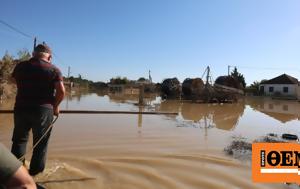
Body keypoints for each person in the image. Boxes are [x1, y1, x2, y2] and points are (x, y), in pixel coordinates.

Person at [11, 44, 65, 176]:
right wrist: (56, 107)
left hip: (21, 108)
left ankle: (16, 174)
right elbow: (61, 91)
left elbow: (11, 80)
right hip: (43, 110)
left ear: (33, 54)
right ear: (49, 57)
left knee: (19, 141)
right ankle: (34, 175)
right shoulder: (53, 69)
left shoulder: (21, 66)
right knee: (41, 143)